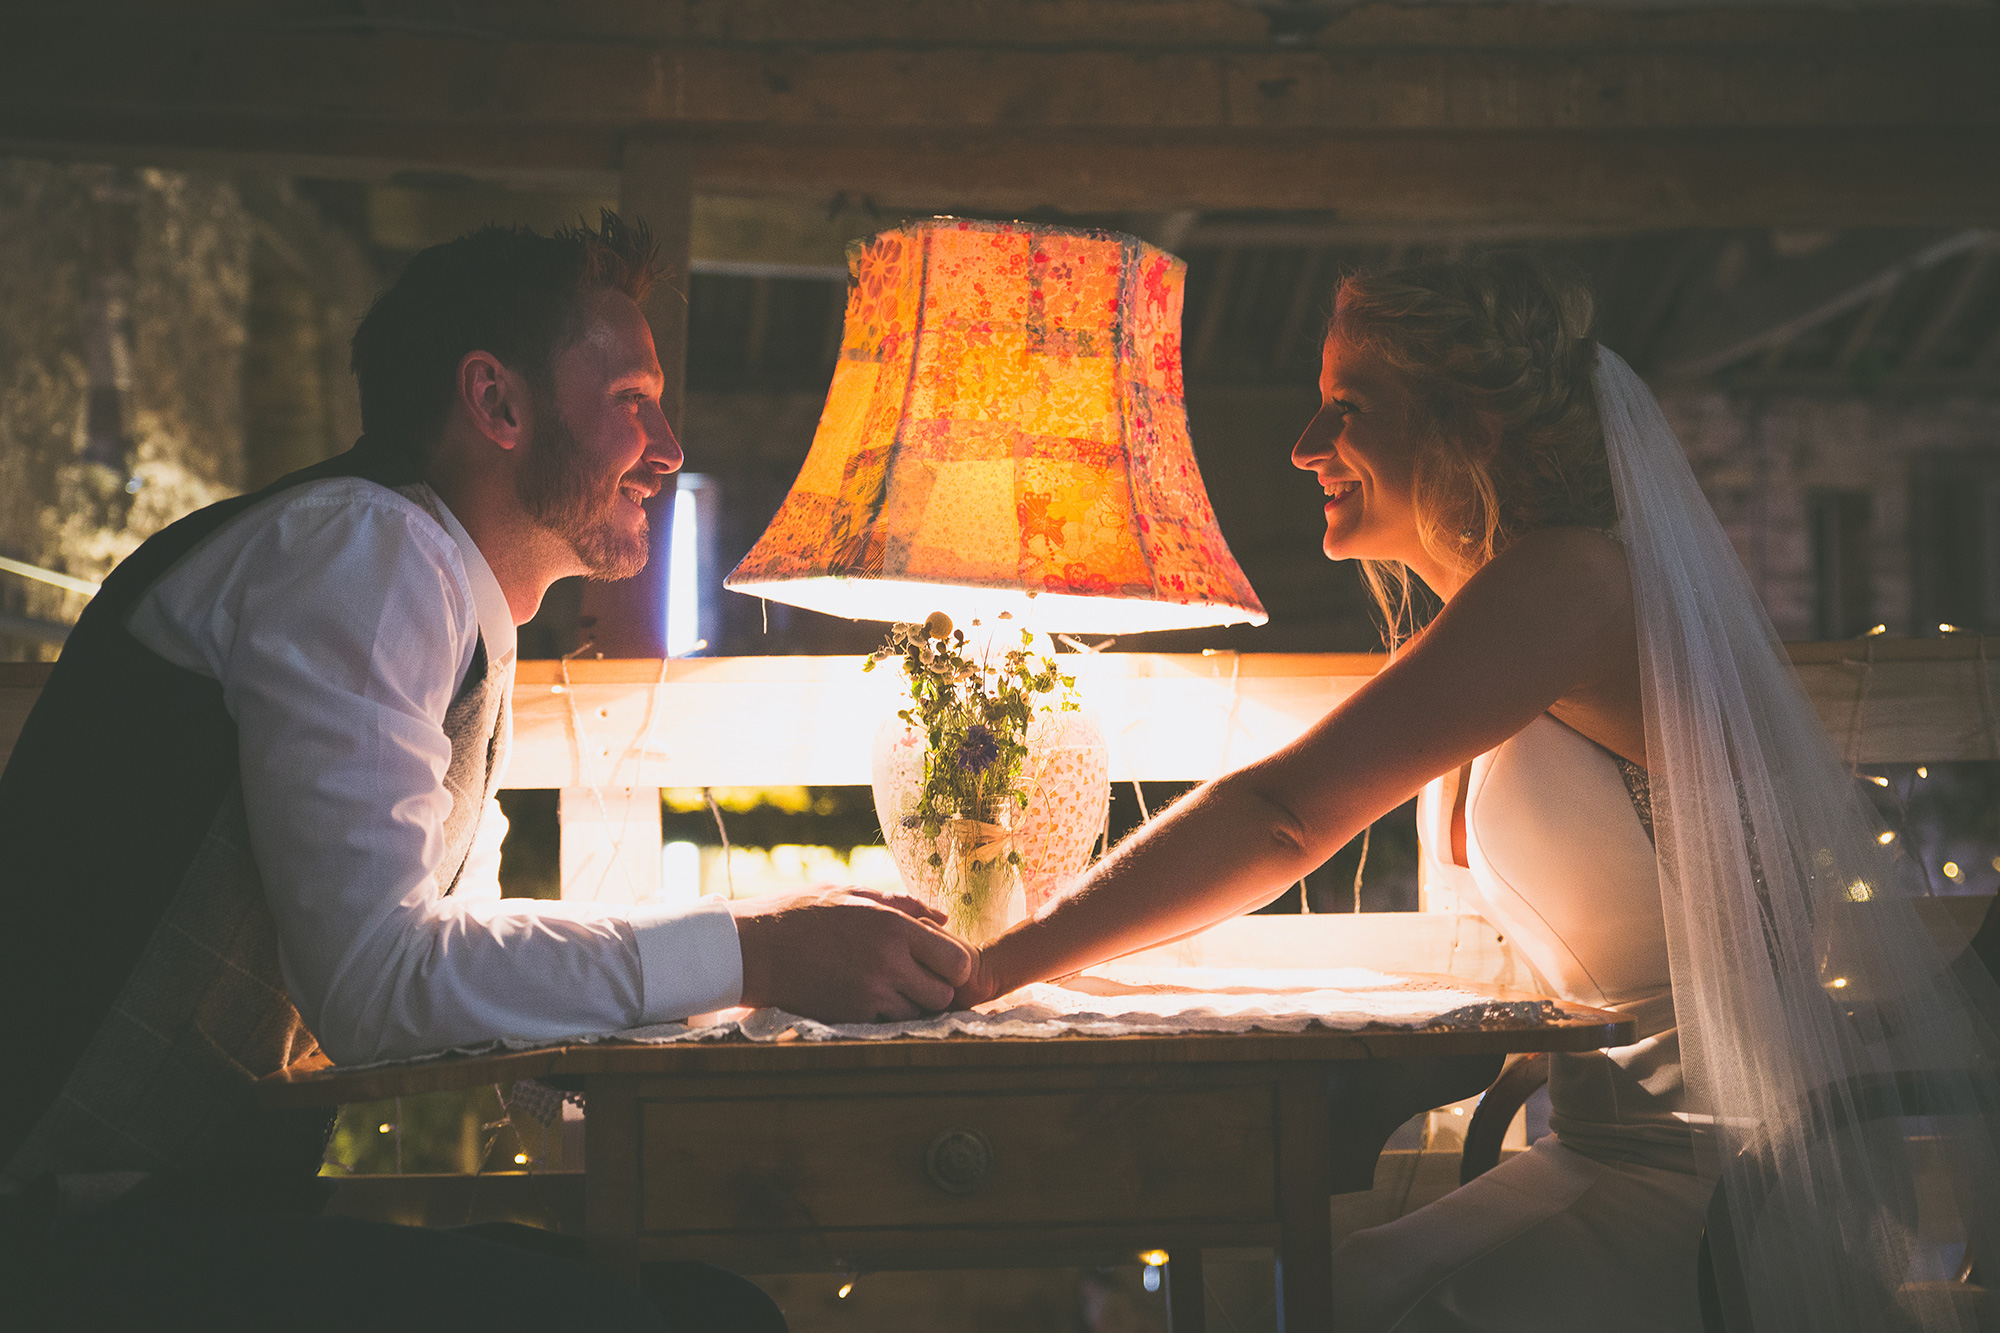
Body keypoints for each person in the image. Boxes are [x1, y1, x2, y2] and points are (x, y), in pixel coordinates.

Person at [953, 254, 2000, 1333]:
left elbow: (1282, 814)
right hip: (1588, 1151)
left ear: (1471, 428)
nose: (1306, 446)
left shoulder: (1570, 583)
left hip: (1725, 1177)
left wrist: (993, 965)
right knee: (1288, 1294)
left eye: (1346, 409)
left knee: (1339, 1310)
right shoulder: (1503, 609)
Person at [0, 213, 974, 1330]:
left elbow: (456, 948)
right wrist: (755, 949)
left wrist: (766, 935)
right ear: (497, 404)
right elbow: (379, 984)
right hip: (63, 1236)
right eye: (628, 402)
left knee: (707, 1304)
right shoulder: (364, 554)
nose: (668, 445)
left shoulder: (438, 592)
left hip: (164, 1217)